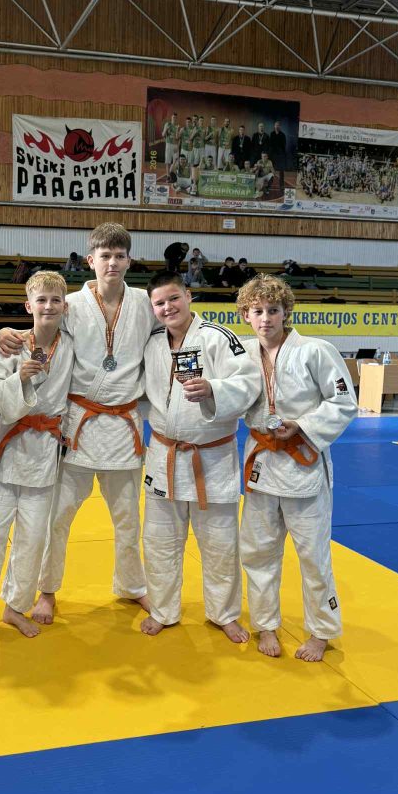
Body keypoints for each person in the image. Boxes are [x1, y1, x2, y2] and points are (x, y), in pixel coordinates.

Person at [0, 223, 157, 624]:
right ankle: (47, 589)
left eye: (119, 256)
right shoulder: (69, 304)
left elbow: (174, 329)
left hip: (123, 426)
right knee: (59, 517)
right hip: (79, 425)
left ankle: (133, 585)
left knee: (128, 518)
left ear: (129, 261)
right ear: (91, 260)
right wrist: (9, 333)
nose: (112, 262)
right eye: (105, 256)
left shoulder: (144, 303)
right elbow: (41, 332)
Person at [0, 272, 75, 654]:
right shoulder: (11, 346)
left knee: (33, 538)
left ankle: (15, 607)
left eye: (55, 300)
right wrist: (19, 379)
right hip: (7, 453)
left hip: (45, 454)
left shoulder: (73, 345)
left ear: (65, 306)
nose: (48, 306)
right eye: (41, 300)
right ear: (28, 305)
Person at [236, 275, 357, 662]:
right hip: (261, 462)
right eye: (257, 311)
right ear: (245, 315)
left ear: (286, 312)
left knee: (313, 556)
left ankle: (321, 631)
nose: (266, 318)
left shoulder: (316, 351)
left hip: (303, 462)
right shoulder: (241, 354)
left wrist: (302, 425)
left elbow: (344, 402)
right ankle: (265, 624)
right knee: (257, 552)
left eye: (273, 310)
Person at [140, 272, 260, 640]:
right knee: (159, 542)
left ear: (189, 296)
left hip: (211, 458)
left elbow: (248, 383)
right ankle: (162, 609)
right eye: (159, 303)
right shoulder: (152, 342)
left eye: (173, 298)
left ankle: (224, 613)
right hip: (163, 454)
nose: (168, 307)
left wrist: (213, 389)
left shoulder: (218, 338)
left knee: (220, 544)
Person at [269, 120, 287, 189]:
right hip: (273, 155)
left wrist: (282, 154)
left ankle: (281, 185)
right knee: (271, 170)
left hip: (280, 155)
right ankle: (270, 184)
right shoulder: (272, 134)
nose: (277, 126)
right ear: (274, 126)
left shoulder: (283, 135)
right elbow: (270, 144)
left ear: (280, 126)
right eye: (276, 125)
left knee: (281, 171)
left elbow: (284, 145)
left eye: (278, 125)